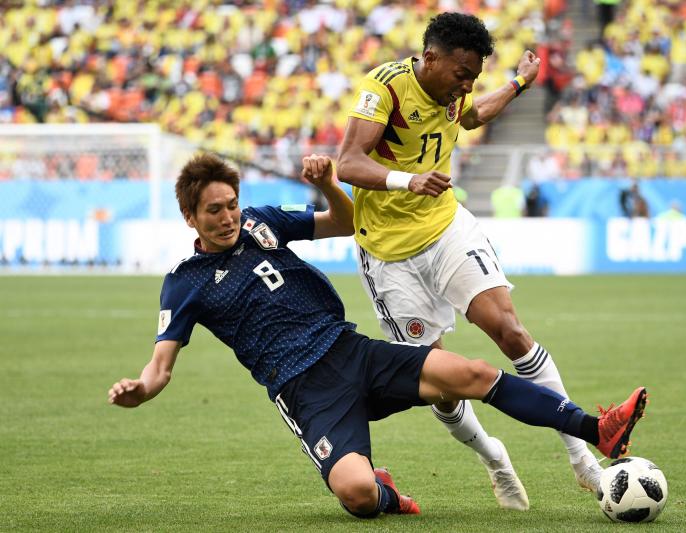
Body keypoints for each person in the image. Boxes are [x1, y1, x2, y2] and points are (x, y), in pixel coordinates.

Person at [108, 152, 649, 519]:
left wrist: (324, 185)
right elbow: (160, 367)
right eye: (214, 211)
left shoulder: (260, 223)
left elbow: (345, 223)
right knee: (357, 495)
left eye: (230, 205)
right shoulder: (184, 283)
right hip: (304, 391)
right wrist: (140, 389)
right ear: (189, 217)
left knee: (472, 374)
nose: (227, 218)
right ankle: (385, 490)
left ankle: (596, 431)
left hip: (350, 350)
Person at [336, 12, 606, 508]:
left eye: (474, 76)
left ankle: (586, 463)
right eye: (462, 74)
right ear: (431, 58)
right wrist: (407, 179)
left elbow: (474, 114)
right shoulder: (386, 88)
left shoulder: (455, 92)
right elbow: (347, 161)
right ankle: (494, 458)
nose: (466, 85)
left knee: (511, 331)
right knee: (442, 384)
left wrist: (518, 84)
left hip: (446, 228)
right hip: (389, 255)